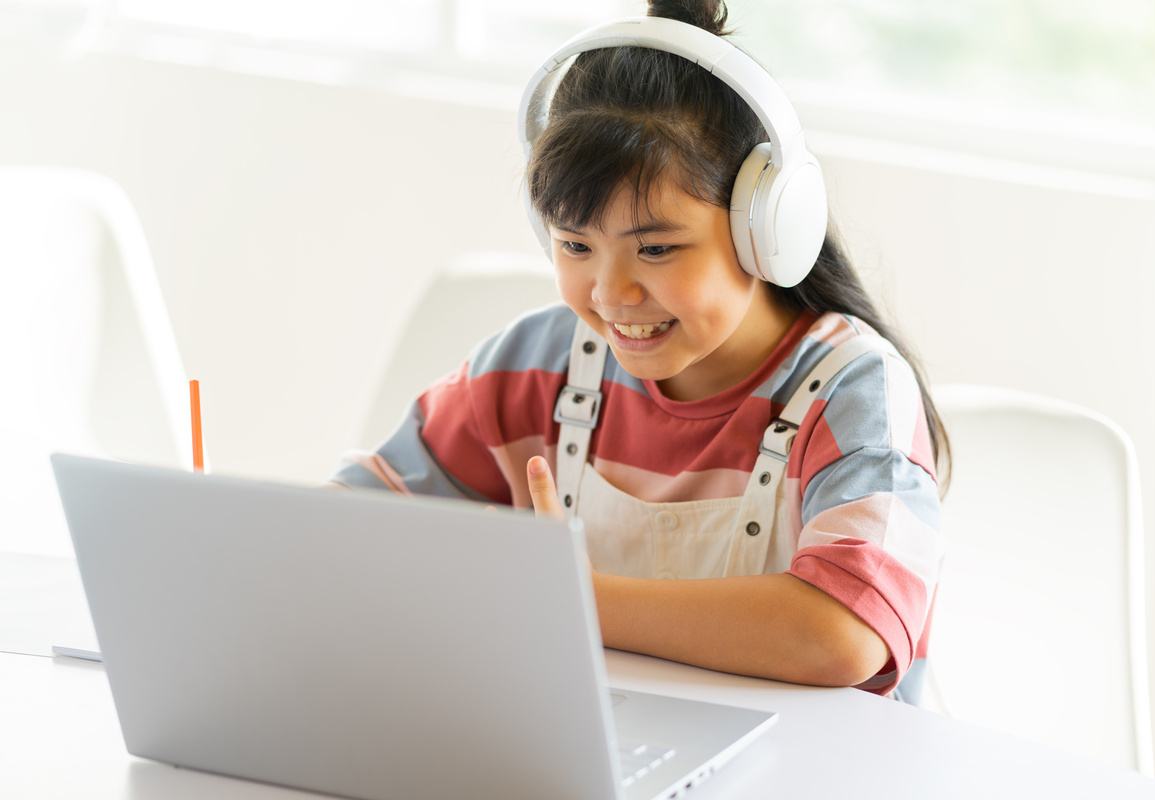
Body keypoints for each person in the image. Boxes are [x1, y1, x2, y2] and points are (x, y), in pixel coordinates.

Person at [329, 0, 947, 701]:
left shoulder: (854, 393)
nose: (613, 293)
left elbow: (840, 631)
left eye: (656, 248)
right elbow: (349, 520)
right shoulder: (534, 366)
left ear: (769, 230)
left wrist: (576, 598)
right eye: (575, 246)